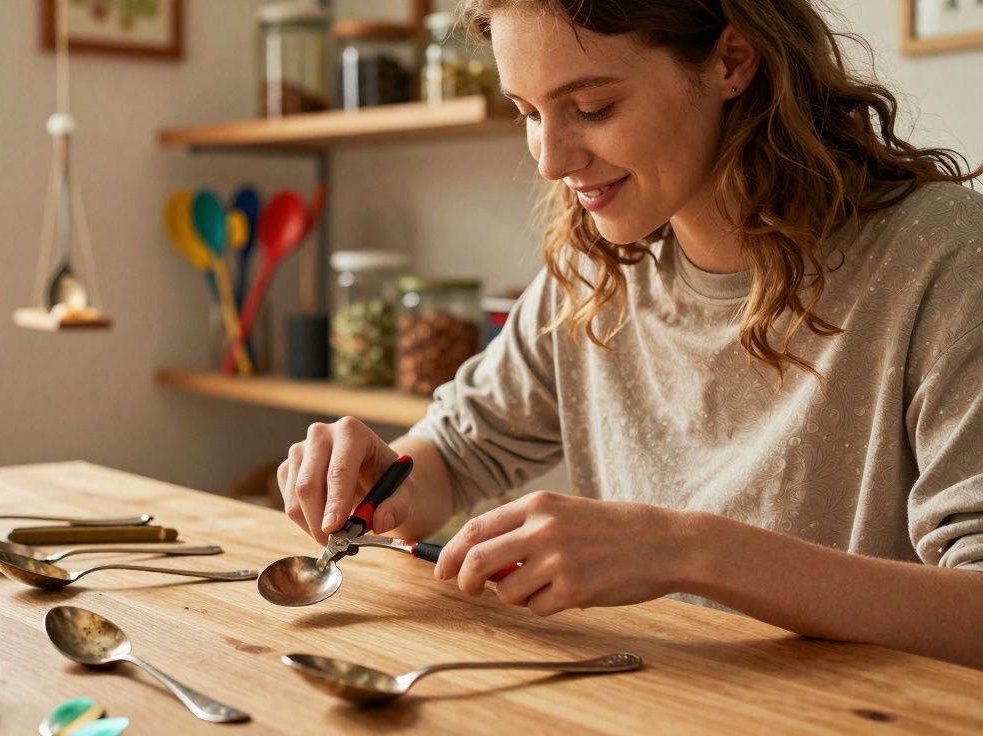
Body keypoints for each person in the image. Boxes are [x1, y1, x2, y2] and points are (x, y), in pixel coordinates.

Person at [277, 0, 983, 669]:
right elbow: (460, 454)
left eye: (592, 108)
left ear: (732, 61)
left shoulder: (945, 259)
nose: (550, 160)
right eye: (528, 112)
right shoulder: (597, 267)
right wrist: (380, 480)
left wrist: (689, 550)